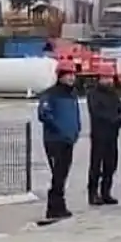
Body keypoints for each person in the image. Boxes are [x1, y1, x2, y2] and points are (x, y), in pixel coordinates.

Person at [36, 59, 81, 218]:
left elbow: (75, 115)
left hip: (69, 140)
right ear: (60, 76)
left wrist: (76, 130)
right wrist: (59, 129)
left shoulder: (73, 94)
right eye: (67, 75)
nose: (71, 78)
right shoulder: (50, 94)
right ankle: (53, 207)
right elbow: (43, 114)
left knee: (63, 173)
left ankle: (59, 205)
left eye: (73, 75)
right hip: (55, 141)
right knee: (58, 174)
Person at [85, 62, 121, 205]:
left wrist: (119, 120)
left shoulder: (114, 94)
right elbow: (96, 112)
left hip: (113, 135)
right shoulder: (93, 94)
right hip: (99, 135)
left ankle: (106, 192)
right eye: (105, 78)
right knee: (96, 165)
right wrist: (112, 119)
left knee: (111, 164)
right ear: (99, 78)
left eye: (110, 78)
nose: (108, 81)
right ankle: (93, 193)